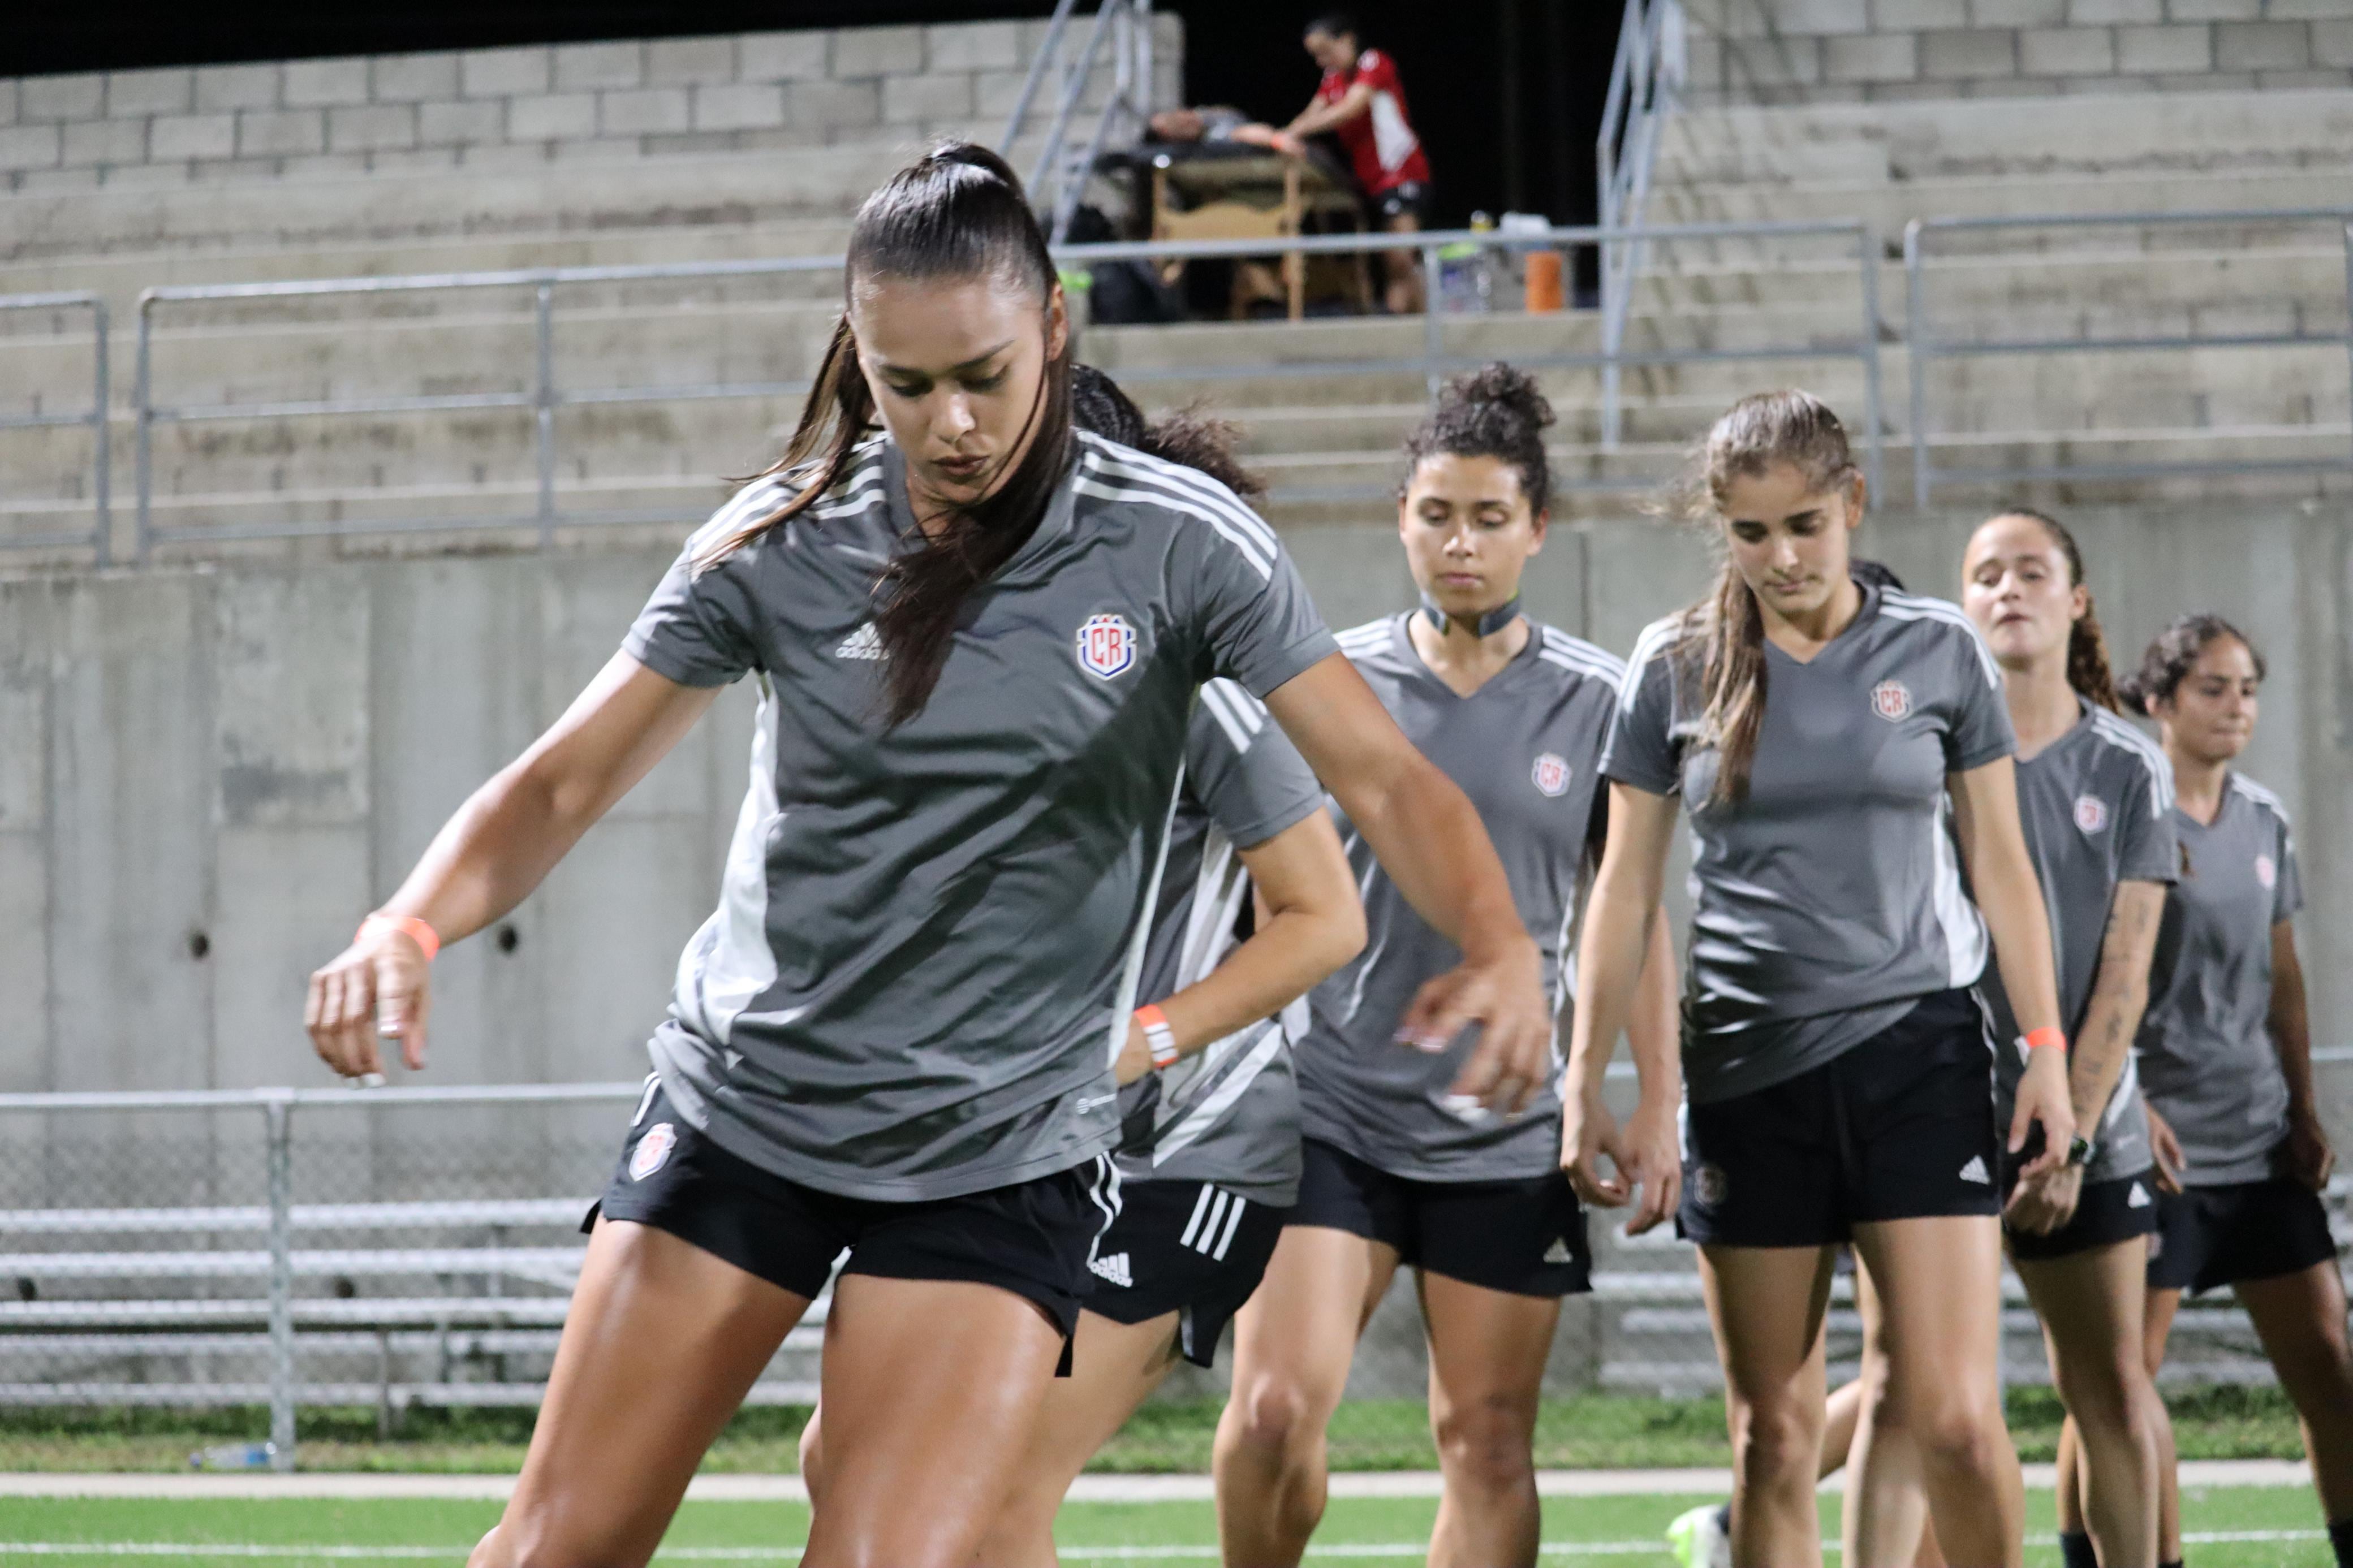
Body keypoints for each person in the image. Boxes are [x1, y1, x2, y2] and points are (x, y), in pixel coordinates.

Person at [301, 144, 1558, 1568]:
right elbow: (559, 784)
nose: (950, 423)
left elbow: (1381, 780)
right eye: (906, 386)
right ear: (858, 358)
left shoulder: (1182, 552)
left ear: (1054, 334)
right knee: (552, 1550)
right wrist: (403, 925)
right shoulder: (778, 540)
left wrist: (1500, 943)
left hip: (998, 1150)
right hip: (748, 1109)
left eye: (986, 376)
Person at [796, 368, 1366, 1565]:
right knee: (838, 1464)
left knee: (996, 1488)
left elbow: (1320, 919)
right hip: (1027, 1140)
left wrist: (1142, 1038)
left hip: (1185, 1139)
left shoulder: (1192, 669)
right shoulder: (976, 663)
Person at [1570, 389, 2074, 1568]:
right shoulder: (1674, 664)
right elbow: (1625, 893)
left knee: (1951, 1418)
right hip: (1747, 1081)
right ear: (1720, 530)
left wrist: (2044, 1054)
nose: (1781, 557)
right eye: (1751, 534)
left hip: (1918, 1060)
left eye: (1804, 525)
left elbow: (2003, 871)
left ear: (1850, 505)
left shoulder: (1940, 649)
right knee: (1770, 1440)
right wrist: (1582, 1076)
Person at [1215, 364, 1682, 1568]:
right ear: (1401, 521)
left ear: (1536, 527)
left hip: (1507, 1129)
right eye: (1435, 514)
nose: (1459, 542)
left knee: (1484, 1446)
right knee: (1269, 1420)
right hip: (1332, 1112)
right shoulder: (1333, 687)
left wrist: (1650, 1101)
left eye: (1486, 517)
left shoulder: (1595, 700)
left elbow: (1626, 919)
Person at [2120, 615, 2353, 1568]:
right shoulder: (2124, 809)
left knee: (2331, 1372)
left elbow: (2281, 975)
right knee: (2122, 1385)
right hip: (2157, 1148)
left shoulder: (2264, 818)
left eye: (2248, 687)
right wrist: (2122, 1103)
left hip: (2257, 1138)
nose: (2236, 705)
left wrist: (2301, 1108)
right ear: (2160, 702)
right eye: (2212, 687)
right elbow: (2089, 976)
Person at [1285, 11, 1432, 316]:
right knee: (1391, 263)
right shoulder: (1332, 79)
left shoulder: (1373, 62)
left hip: (1402, 173)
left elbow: (1350, 109)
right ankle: (1405, 329)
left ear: (1347, 40)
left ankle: (1429, 330)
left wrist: (1300, 130)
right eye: (1316, 56)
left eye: (1325, 51)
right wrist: (1284, 135)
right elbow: (1313, 112)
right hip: (1373, 181)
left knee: (1403, 257)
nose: (1321, 61)